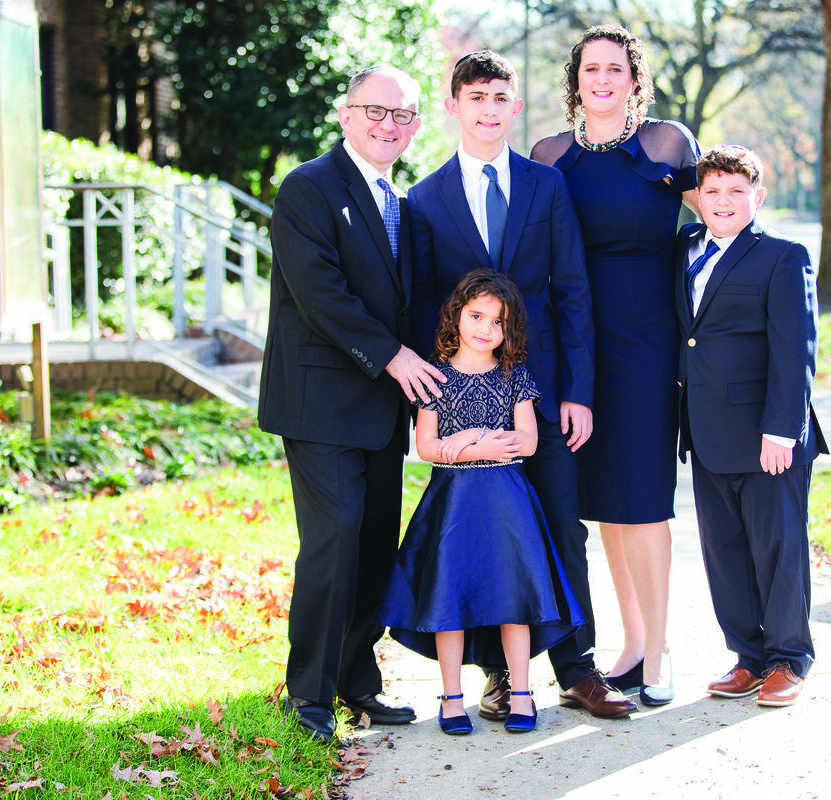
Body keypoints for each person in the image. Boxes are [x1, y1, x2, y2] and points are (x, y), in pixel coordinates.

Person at [409, 50, 635, 719]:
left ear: (516, 106)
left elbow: (573, 290)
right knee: (480, 536)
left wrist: (579, 391)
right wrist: (443, 405)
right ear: (454, 106)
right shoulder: (425, 199)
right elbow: (427, 307)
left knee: (563, 524)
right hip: (468, 401)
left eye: (501, 97)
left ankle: (578, 665)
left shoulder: (546, 185)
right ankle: (498, 676)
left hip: (547, 389)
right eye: (475, 97)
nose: (489, 109)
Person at [258, 65, 447, 742]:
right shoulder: (308, 188)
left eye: (403, 115)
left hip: (378, 408)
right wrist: (395, 357)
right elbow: (320, 293)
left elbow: (410, 303)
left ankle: (357, 683)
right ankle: (307, 695)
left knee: (372, 549)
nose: (389, 125)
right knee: (334, 540)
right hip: (317, 401)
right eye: (377, 111)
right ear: (345, 114)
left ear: (417, 125)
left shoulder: (399, 203)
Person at [530, 24, 699, 705]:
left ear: (634, 79)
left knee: (644, 502)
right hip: (578, 348)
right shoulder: (548, 154)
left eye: (614, 68)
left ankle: (656, 655)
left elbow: (717, 211)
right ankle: (629, 646)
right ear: (576, 81)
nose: (601, 78)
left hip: (648, 344)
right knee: (605, 506)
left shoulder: (666, 144)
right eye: (590, 68)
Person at [380, 269, 586, 735]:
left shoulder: (515, 376)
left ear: (509, 332)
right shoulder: (436, 376)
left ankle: (521, 694)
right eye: (477, 316)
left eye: (498, 323)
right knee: (448, 598)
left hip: (507, 505)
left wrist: (478, 447)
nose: (485, 329)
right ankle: (452, 698)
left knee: (515, 599)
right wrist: (473, 440)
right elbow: (427, 447)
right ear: (457, 316)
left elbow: (528, 441)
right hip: (452, 504)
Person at [673, 144, 828, 708]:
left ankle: (788, 658)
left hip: (768, 435)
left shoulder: (782, 256)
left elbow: (796, 350)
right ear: (698, 199)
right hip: (708, 431)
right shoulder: (686, 248)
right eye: (711, 191)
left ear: (757, 197)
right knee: (725, 551)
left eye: (736, 191)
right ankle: (749, 656)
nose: (723, 201)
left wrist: (783, 430)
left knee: (777, 549)